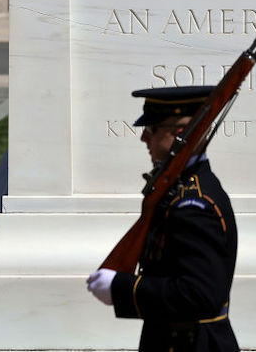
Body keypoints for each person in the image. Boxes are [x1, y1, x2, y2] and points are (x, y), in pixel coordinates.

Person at [87, 85, 239, 352]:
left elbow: (200, 294)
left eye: (151, 130)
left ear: (179, 134)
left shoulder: (193, 204)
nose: (144, 139)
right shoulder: (180, 190)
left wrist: (122, 287)